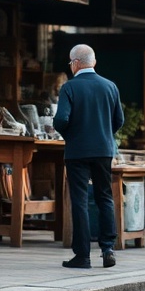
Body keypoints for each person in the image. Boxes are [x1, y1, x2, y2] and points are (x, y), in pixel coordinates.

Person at [53, 43, 124, 269]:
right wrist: (103, 134)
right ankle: (108, 249)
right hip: (104, 150)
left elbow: (61, 120)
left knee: (80, 200)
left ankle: (83, 255)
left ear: (75, 63)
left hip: (77, 151)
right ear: (93, 62)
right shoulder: (110, 86)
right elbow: (119, 120)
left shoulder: (69, 88)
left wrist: (71, 135)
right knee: (105, 197)